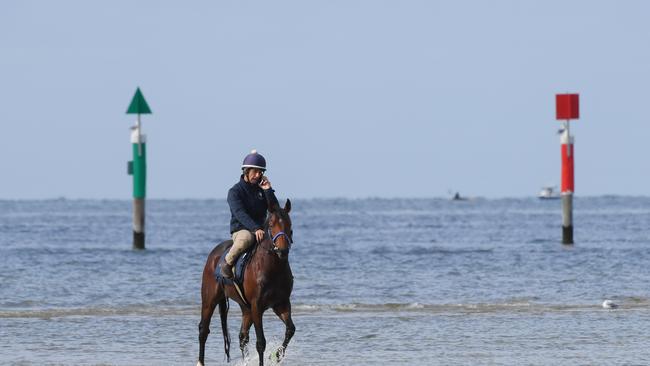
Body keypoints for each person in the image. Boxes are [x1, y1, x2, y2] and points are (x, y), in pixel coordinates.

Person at [221, 150, 279, 279]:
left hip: (261, 230)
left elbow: (275, 209)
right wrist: (255, 228)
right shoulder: (235, 192)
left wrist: (268, 190)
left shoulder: (262, 189)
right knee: (246, 239)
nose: (258, 175)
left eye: (260, 172)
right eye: (255, 171)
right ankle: (227, 263)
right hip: (242, 230)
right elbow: (240, 213)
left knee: (279, 242)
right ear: (246, 171)